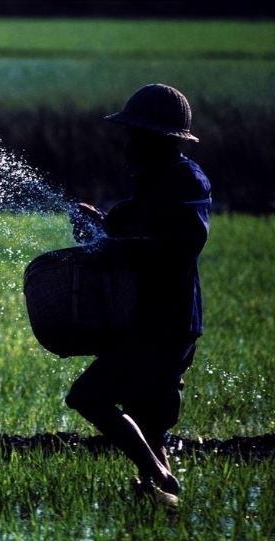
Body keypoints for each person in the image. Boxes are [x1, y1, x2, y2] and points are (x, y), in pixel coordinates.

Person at [65, 84, 211, 507]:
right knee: (147, 416)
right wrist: (95, 224)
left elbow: (184, 241)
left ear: (159, 139)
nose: (126, 142)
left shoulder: (186, 181)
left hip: (166, 322)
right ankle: (160, 500)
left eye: (135, 134)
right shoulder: (149, 186)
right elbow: (119, 232)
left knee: (88, 396)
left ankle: (158, 473)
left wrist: (116, 243)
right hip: (145, 319)